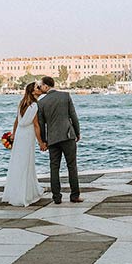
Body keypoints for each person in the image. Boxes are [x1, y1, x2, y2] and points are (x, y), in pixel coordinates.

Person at [37, 76, 82, 204]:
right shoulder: (65, 96)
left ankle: (56, 197)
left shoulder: (41, 103)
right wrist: (77, 133)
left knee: (54, 168)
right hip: (68, 136)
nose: (41, 88)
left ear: (46, 86)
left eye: (41, 85)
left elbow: (41, 124)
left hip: (52, 139)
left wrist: (44, 141)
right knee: (72, 166)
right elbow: (73, 116)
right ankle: (74, 196)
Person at [2, 82, 47, 206]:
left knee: (18, 163)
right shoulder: (34, 106)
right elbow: (36, 125)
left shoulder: (22, 103)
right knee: (27, 163)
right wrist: (41, 142)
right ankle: (25, 193)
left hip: (20, 135)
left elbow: (17, 121)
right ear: (33, 92)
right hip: (27, 135)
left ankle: (16, 192)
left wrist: (14, 134)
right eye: (37, 88)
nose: (39, 89)